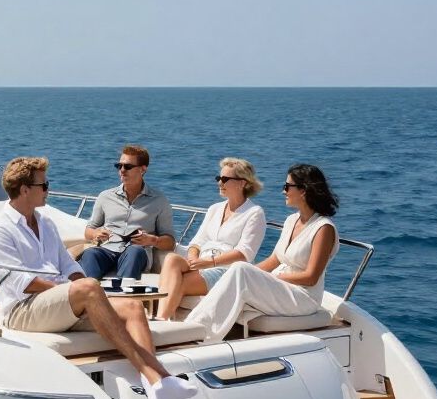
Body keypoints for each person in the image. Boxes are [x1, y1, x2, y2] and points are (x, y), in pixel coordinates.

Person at [0, 156, 196, 399]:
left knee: (132, 307)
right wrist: (77, 291)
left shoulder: (45, 222)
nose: (48, 190)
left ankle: (157, 384)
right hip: (23, 310)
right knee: (89, 287)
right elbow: (23, 283)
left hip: (59, 304)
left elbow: (68, 265)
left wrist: (83, 291)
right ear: (25, 189)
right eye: (44, 185)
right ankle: (155, 377)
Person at [186, 163, 340, 341]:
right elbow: (274, 260)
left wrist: (271, 278)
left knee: (241, 270)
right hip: (282, 288)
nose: (283, 191)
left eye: (287, 187)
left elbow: (311, 277)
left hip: (303, 297)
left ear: (303, 190)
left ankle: (198, 333)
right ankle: (196, 328)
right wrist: (241, 273)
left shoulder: (323, 228)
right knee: (239, 269)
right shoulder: (291, 220)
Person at [157, 158, 267, 320]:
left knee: (178, 281)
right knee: (171, 259)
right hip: (202, 264)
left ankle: (161, 320)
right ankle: (163, 320)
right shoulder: (214, 209)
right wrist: (194, 260)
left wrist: (209, 263)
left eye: (225, 179)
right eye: (219, 178)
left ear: (242, 183)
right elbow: (197, 242)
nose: (220, 183)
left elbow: (245, 253)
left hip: (227, 272)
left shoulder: (254, 213)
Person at [79, 145, 175, 282]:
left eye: (128, 167)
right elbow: (89, 230)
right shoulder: (105, 196)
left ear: (143, 169)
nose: (122, 170)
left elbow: (170, 242)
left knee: (134, 251)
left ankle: (124, 292)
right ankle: (88, 290)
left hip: (136, 252)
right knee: (90, 254)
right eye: (119, 166)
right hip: (107, 249)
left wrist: (152, 240)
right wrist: (95, 234)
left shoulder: (159, 200)